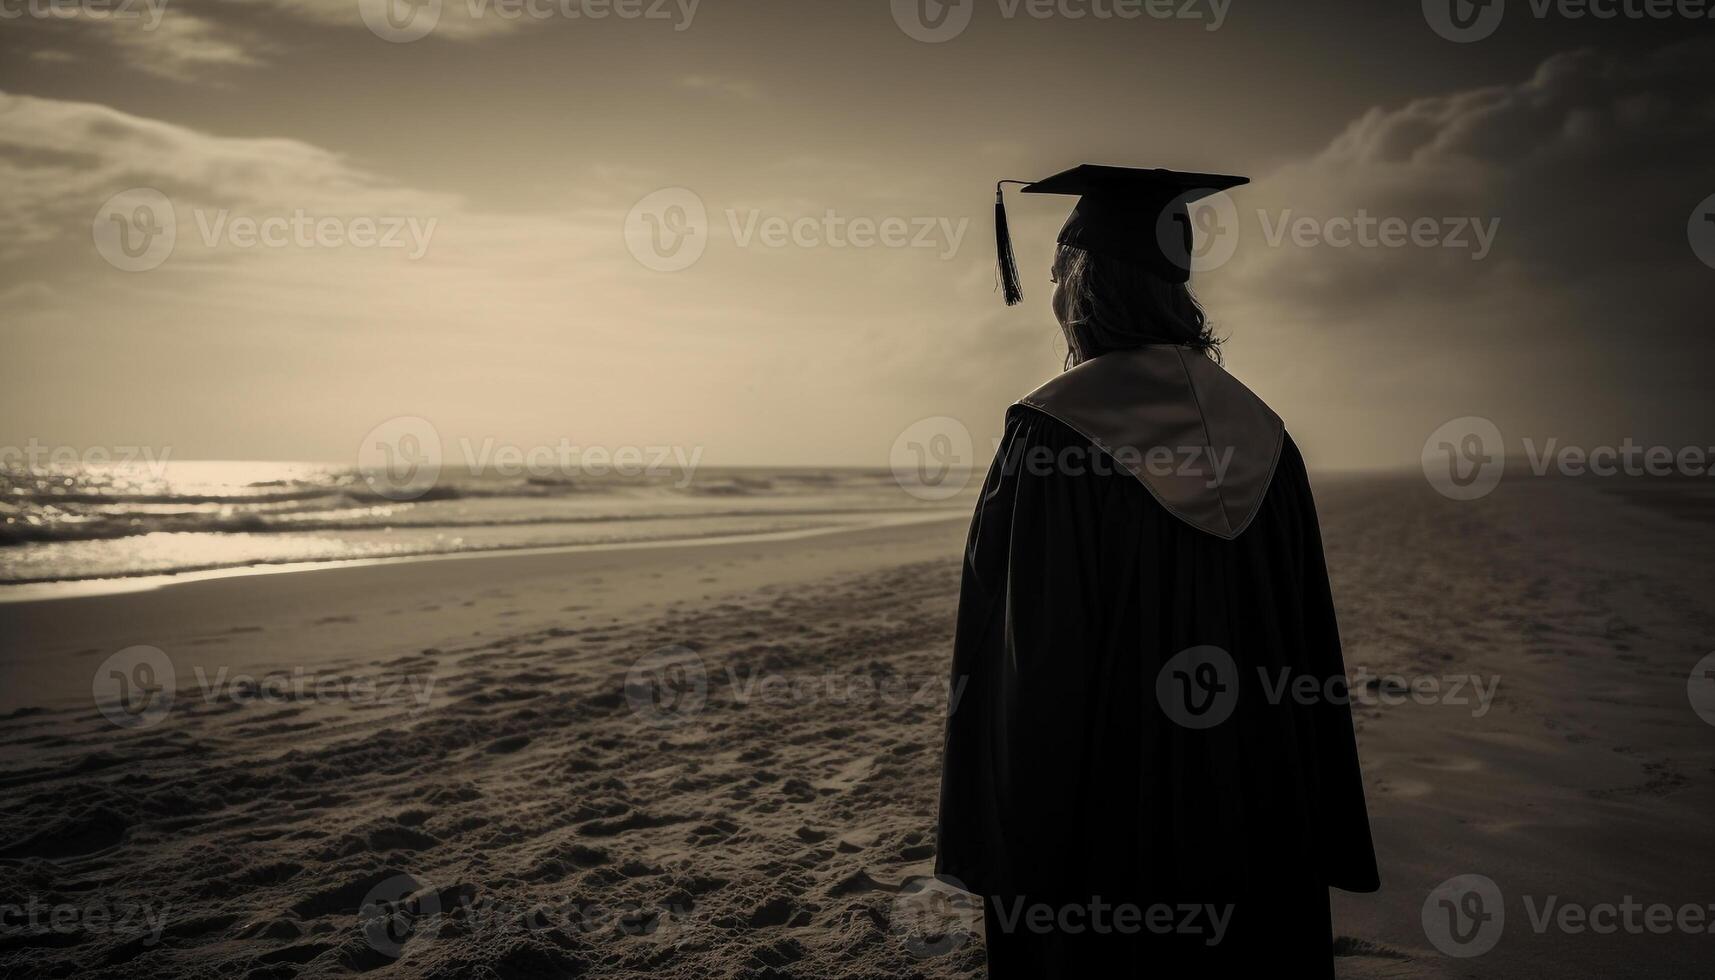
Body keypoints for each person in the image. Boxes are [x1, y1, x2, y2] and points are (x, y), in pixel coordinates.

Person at [934, 164, 1380, 977]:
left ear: (1079, 283)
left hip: (1110, 815)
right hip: (1255, 806)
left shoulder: (1054, 434)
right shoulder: (1265, 436)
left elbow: (1031, 665)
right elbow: (1307, 649)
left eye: (1053, 276)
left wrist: (1017, 832)